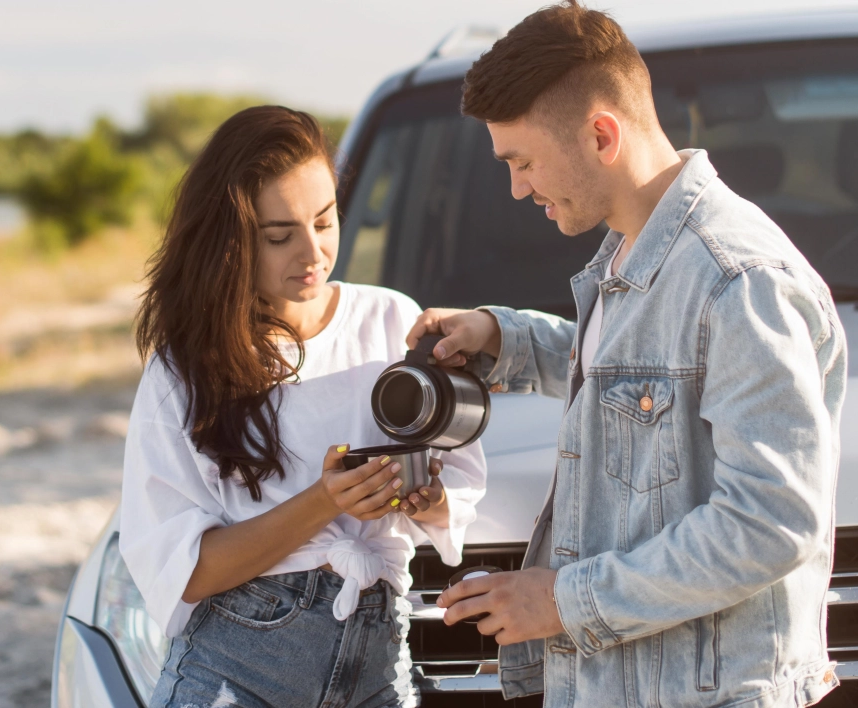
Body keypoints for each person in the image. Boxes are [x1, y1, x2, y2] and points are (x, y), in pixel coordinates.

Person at [413, 3, 847, 706]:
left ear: (600, 134)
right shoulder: (638, 254)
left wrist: (564, 603)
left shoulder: (738, 281)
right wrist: (506, 337)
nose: (518, 187)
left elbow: (770, 522)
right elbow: (645, 384)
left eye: (522, 161)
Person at [120, 105, 487, 708]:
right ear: (230, 240)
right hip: (239, 672)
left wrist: (429, 498)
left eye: (325, 220)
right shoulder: (185, 368)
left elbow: (463, 488)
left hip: (380, 663)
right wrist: (323, 503)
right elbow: (184, 571)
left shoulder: (394, 319)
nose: (313, 252)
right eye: (279, 235)